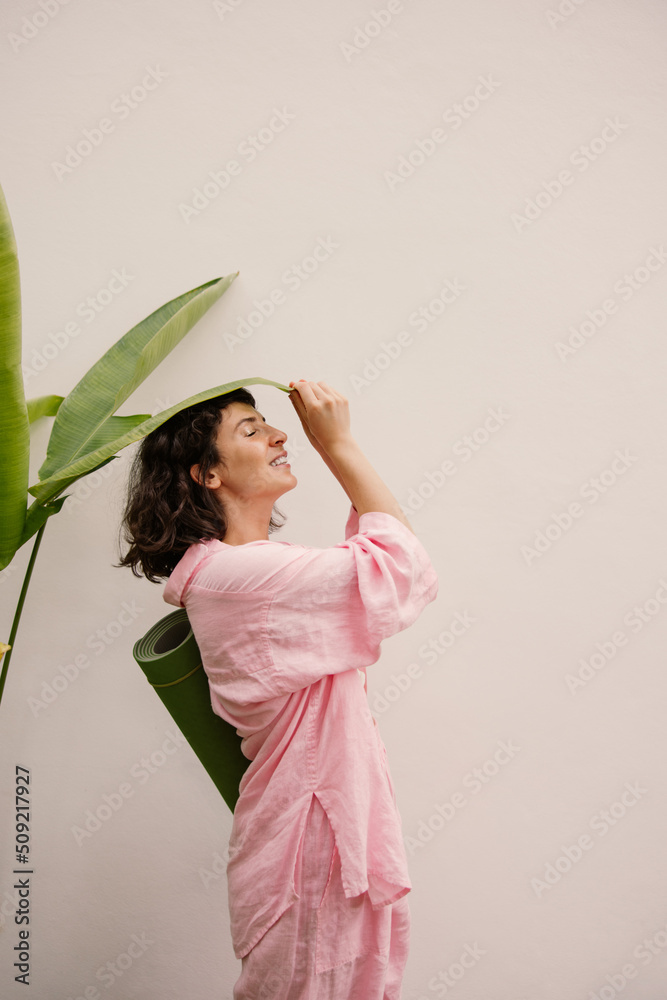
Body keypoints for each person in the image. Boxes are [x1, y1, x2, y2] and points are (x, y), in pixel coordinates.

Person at [119, 379, 438, 999]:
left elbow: (386, 565)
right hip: (310, 849)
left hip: (320, 834)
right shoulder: (243, 577)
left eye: (267, 423)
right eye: (251, 429)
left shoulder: (248, 571)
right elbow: (402, 570)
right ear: (208, 474)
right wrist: (338, 444)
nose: (278, 434)